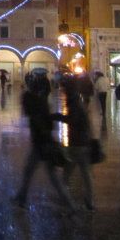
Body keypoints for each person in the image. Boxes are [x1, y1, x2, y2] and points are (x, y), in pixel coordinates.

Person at [12, 72, 74, 210]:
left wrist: (44, 129)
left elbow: (38, 119)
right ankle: (21, 197)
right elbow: (47, 121)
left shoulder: (32, 102)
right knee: (33, 172)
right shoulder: (41, 102)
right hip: (43, 142)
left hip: (42, 144)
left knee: (49, 176)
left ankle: (69, 205)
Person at [56, 80, 95, 211]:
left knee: (66, 175)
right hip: (84, 142)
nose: (63, 92)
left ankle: (66, 202)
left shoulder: (74, 103)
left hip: (77, 144)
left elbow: (73, 120)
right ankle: (90, 201)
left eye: (64, 90)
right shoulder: (78, 102)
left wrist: (60, 117)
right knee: (86, 174)